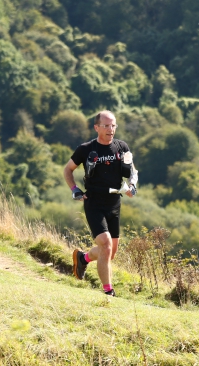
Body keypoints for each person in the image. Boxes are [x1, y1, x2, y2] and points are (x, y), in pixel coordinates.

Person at [63, 110, 138, 296]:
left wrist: (132, 186)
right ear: (96, 127)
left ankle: (83, 258)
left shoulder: (122, 147)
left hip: (114, 204)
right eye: (106, 126)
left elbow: (133, 171)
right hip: (94, 203)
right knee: (105, 244)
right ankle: (108, 292)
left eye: (113, 125)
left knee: (110, 253)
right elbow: (68, 170)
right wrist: (74, 190)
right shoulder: (85, 149)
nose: (110, 129)